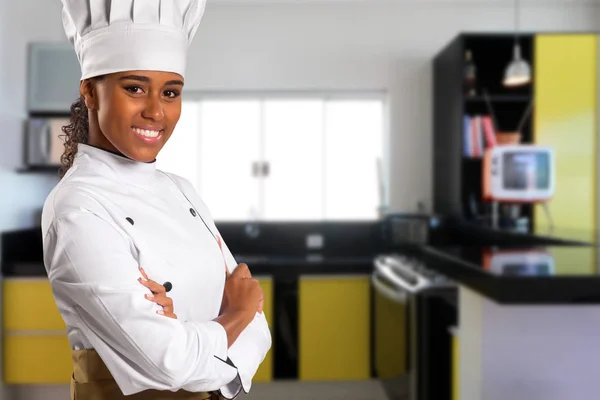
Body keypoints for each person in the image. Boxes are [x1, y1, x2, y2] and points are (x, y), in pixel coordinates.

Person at [41, 1, 271, 399]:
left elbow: (260, 331)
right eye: (134, 88)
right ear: (90, 93)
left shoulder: (181, 189)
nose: (155, 111)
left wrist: (189, 332)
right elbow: (171, 362)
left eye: (170, 92)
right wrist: (234, 314)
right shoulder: (78, 208)